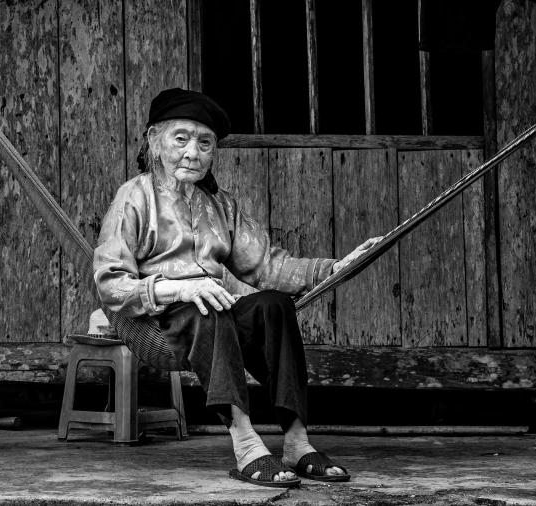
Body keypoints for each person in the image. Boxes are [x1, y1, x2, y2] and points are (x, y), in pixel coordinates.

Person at [93, 88, 380, 487]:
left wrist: (334, 268)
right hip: (155, 325)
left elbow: (265, 266)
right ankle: (246, 445)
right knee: (205, 305)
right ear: (154, 140)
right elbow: (111, 284)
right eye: (181, 139)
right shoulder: (133, 198)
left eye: (204, 143)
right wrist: (179, 289)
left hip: (213, 324)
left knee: (274, 306)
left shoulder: (220, 205)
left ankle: (297, 442)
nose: (193, 152)